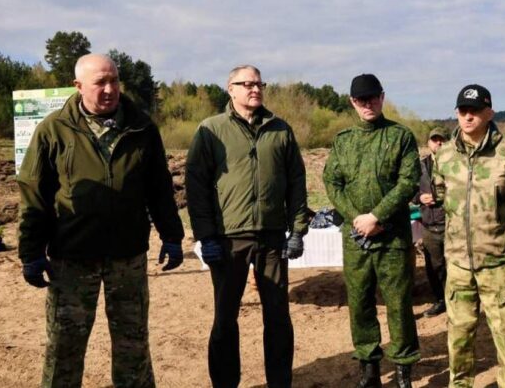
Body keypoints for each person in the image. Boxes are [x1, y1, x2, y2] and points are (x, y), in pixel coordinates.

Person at [17, 53, 184, 388]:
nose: (110, 89)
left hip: (128, 256)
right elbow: (34, 194)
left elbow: (159, 188)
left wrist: (171, 236)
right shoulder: (53, 130)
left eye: (114, 81)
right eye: (100, 82)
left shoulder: (141, 127)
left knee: (133, 344)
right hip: (72, 258)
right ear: (78, 86)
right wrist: (31, 252)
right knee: (64, 346)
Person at [186, 65, 308, 388]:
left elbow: (297, 181)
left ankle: (280, 382)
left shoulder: (280, 130)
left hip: (272, 238)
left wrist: (297, 230)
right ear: (231, 89)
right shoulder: (211, 130)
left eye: (259, 84)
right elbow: (196, 186)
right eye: (247, 84)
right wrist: (206, 236)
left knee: (278, 317)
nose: (255, 89)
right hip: (228, 240)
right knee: (225, 318)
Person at [323, 73, 421, 388]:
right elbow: (332, 182)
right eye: (361, 100)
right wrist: (357, 218)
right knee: (360, 303)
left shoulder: (400, 136)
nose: (368, 104)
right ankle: (369, 369)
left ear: (382, 97)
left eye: (373, 98)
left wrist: (377, 216)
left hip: (392, 238)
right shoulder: (343, 140)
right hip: (357, 240)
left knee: (399, 304)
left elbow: (408, 181)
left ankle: (403, 369)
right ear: (352, 102)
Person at [432, 84, 505, 388]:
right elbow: (441, 196)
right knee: (459, 338)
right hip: (458, 266)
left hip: (498, 265)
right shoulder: (444, 156)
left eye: (475, 111)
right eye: (463, 110)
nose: (468, 116)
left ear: (489, 113)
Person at [412, 127, 449, 317]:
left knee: (456, 266)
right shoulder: (420, 166)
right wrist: (419, 198)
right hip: (429, 224)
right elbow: (410, 190)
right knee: (434, 266)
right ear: (428, 143)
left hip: (451, 223)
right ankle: (440, 300)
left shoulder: (455, 164)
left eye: (442, 139)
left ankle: (458, 301)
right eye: (435, 139)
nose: (439, 143)